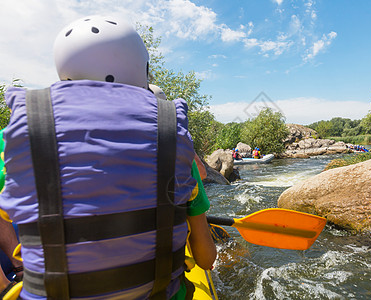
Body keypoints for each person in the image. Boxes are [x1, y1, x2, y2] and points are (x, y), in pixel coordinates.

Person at [0, 14, 216, 300]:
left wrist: (10, 278)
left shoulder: (17, 137)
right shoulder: (173, 142)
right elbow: (205, 259)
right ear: (141, 68)